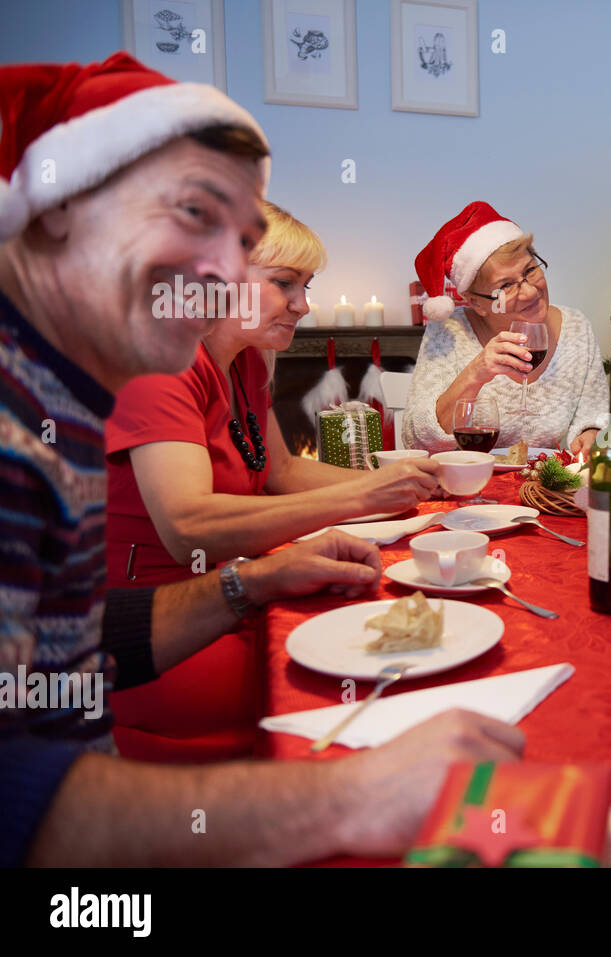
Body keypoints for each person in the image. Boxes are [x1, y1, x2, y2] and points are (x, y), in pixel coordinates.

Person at [0, 53, 522, 867]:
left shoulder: (66, 388)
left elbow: (76, 651)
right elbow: (20, 791)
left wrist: (249, 584)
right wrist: (348, 796)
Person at [102, 201, 443, 761]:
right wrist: (362, 494)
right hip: (157, 626)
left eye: (306, 286)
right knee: (359, 672)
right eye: (284, 283)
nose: (303, 305)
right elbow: (188, 526)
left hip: (232, 588)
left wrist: (400, 484)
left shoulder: (246, 359)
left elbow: (281, 472)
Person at [404, 201, 608, 456]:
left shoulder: (577, 327)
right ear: (476, 303)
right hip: (470, 487)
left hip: (544, 489)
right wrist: (475, 372)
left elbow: (594, 417)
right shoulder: (449, 331)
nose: (531, 291)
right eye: (506, 286)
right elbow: (415, 441)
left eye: (530, 270)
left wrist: (590, 434)